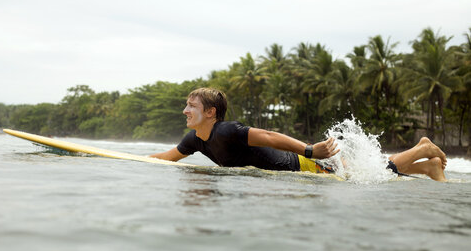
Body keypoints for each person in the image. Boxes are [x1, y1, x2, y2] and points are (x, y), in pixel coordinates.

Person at [151, 88, 447, 181]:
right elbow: (167, 158)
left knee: (367, 177)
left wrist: (309, 150)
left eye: (191, 106)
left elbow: (267, 136)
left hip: (304, 164)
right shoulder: (194, 140)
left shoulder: (227, 130)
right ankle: (428, 166)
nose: (185, 110)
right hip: (299, 166)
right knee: (371, 174)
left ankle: (422, 149)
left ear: (211, 112)